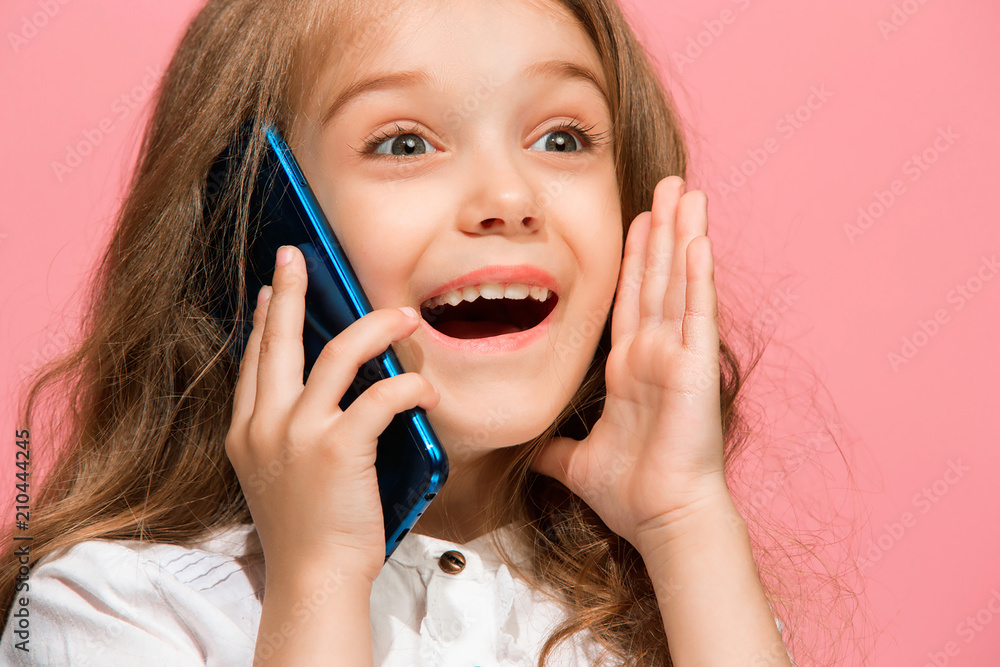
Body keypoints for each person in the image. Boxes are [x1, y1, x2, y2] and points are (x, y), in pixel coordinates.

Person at [0, 0, 818, 664]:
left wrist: (685, 522)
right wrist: (317, 582)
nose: (508, 194)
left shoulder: (683, 597)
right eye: (403, 143)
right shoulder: (111, 606)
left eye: (561, 138)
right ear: (254, 223)